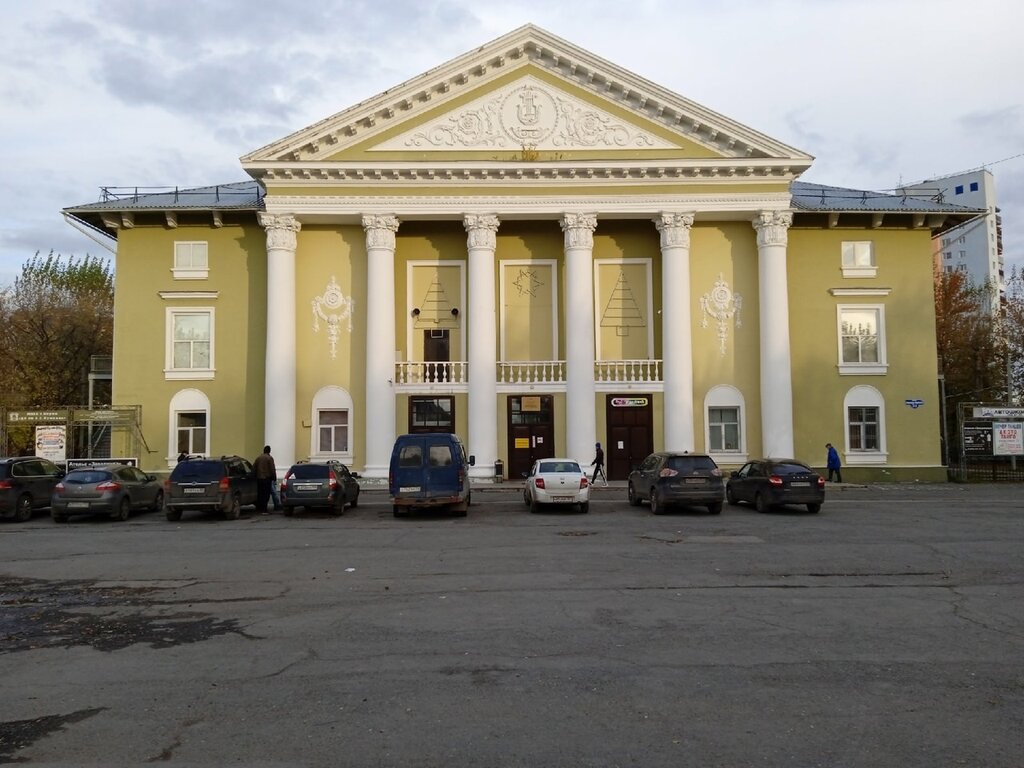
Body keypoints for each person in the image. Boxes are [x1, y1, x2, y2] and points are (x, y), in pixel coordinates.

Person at [254, 445, 277, 513]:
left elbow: (254, 467)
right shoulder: (269, 458)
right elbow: (272, 469)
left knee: (260, 493)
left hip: (259, 479)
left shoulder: (258, 458)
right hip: (267, 479)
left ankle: (260, 508)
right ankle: (264, 509)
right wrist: (274, 477)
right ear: (269, 451)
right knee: (266, 494)